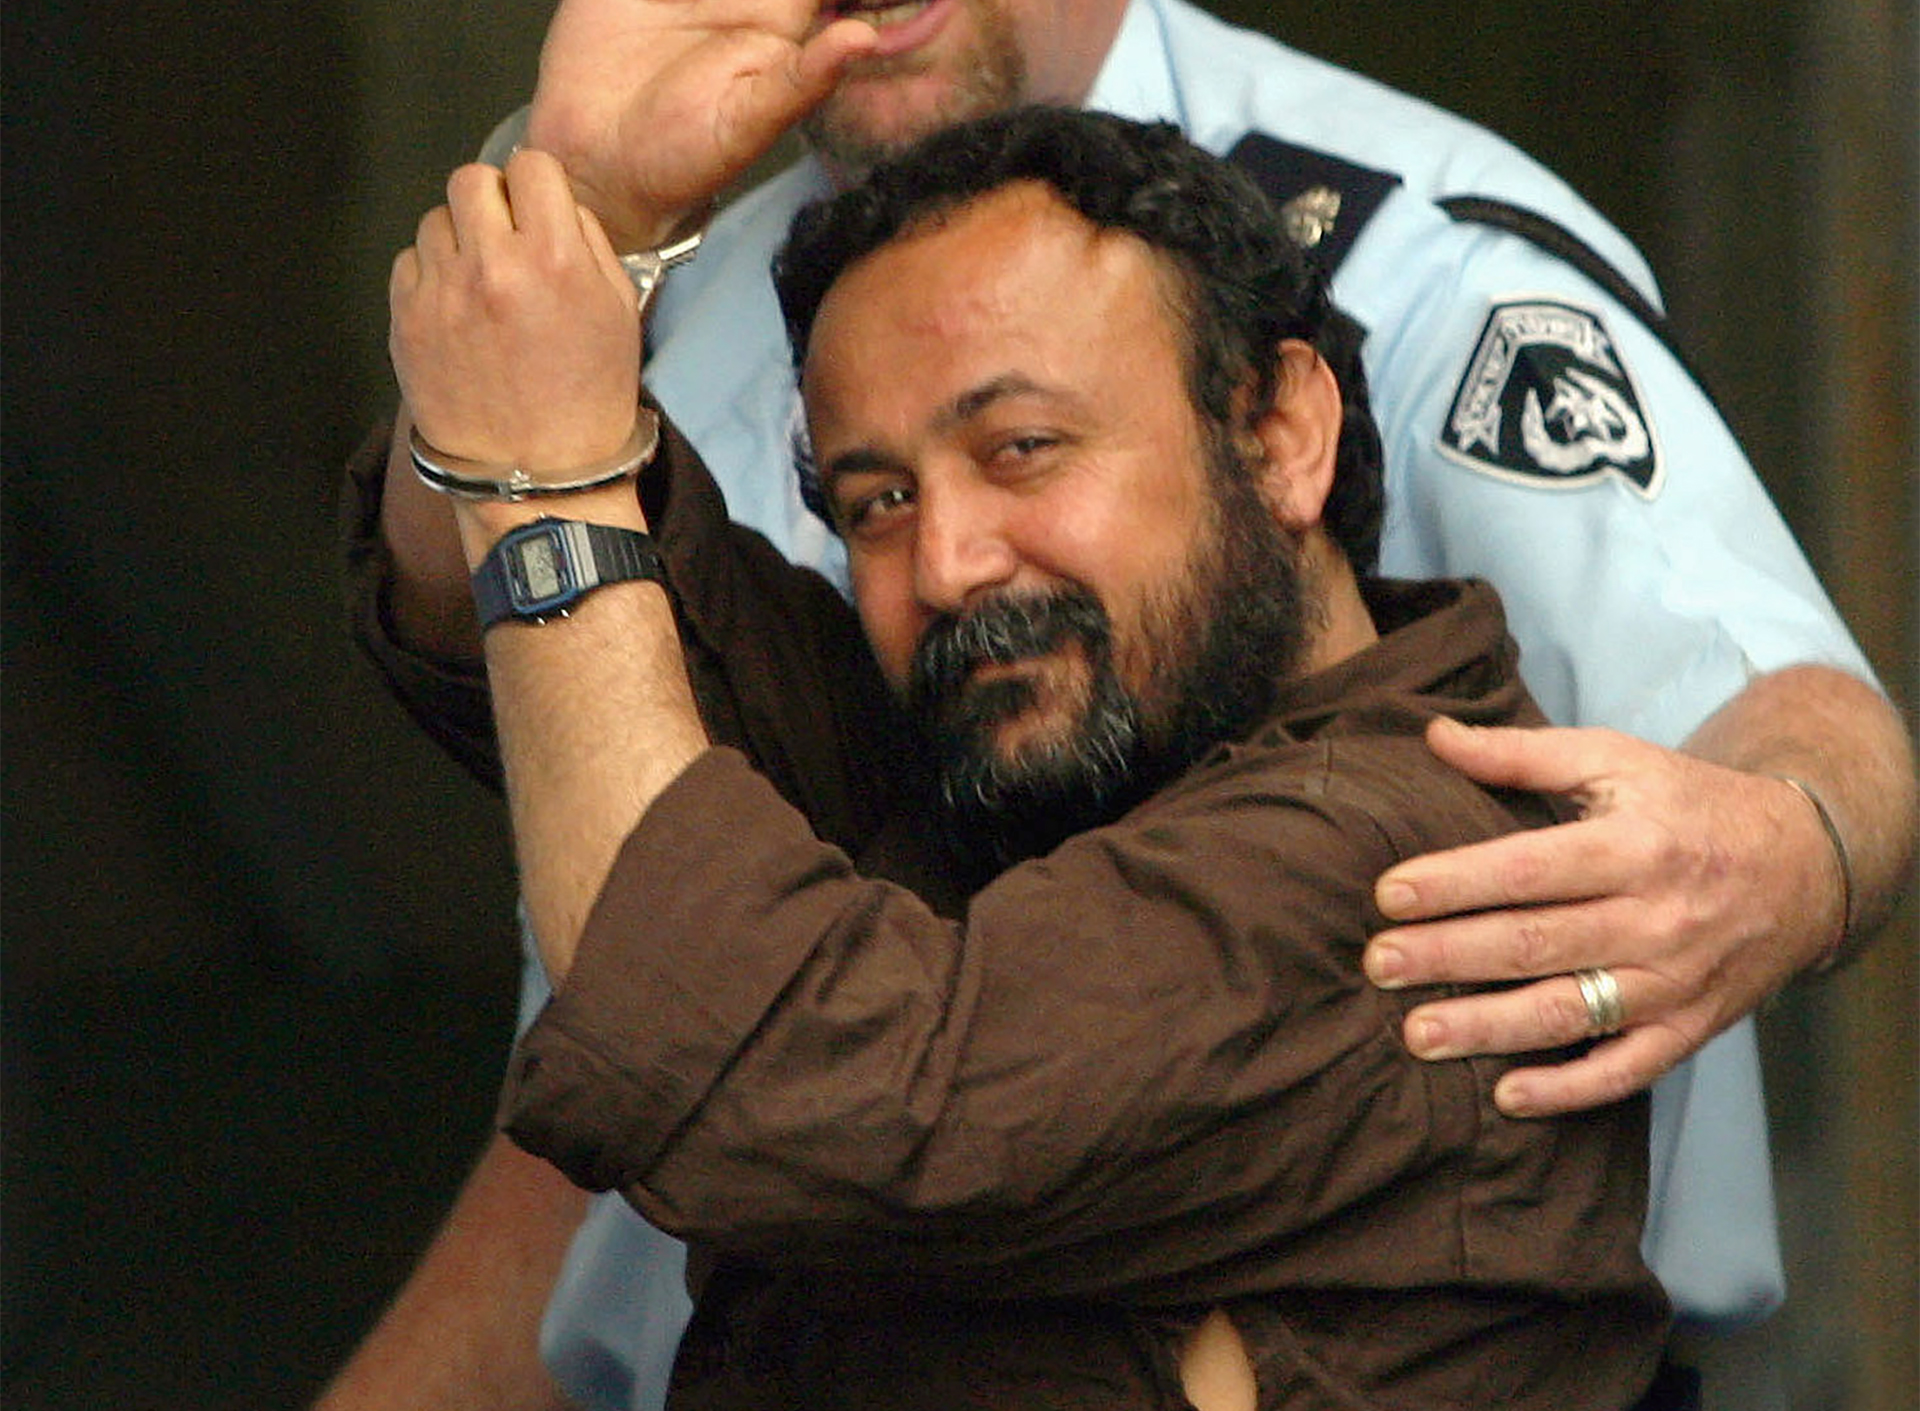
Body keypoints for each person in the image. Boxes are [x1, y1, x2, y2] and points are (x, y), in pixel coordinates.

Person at [325, 1, 1916, 1406]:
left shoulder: (1425, 254)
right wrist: (577, 205)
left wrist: (1801, 847)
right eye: (868, 497)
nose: (946, 558)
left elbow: (1796, 724)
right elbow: (498, 656)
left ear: (1284, 429)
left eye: (1024, 447)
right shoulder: (718, 271)